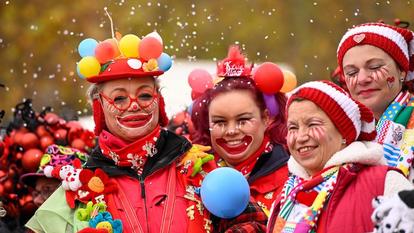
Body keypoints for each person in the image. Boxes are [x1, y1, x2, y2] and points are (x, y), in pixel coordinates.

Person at [26, 32, 266, 233]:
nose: (134, 105)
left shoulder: (199, 167)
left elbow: (252, 222)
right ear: (98, 108)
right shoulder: (82, 187)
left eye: (144, 95)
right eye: (119, 98)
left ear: (159, 102)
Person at [267, 80, 413, 233]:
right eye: (293, 127)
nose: (301, 137)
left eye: (313, 124)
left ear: (344, 133)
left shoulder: (384, 182)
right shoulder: (287, 193)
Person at [191, 46, 289, 216]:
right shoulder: (194, 173)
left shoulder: (292, 178)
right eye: (220, 122)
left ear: (265, 118)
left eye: (243, 120)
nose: (231, 131)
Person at [336, 21, 414, 181]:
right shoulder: (339, 131)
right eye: (352, 72)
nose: (362, 79)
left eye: (375, 67)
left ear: (402, 72)